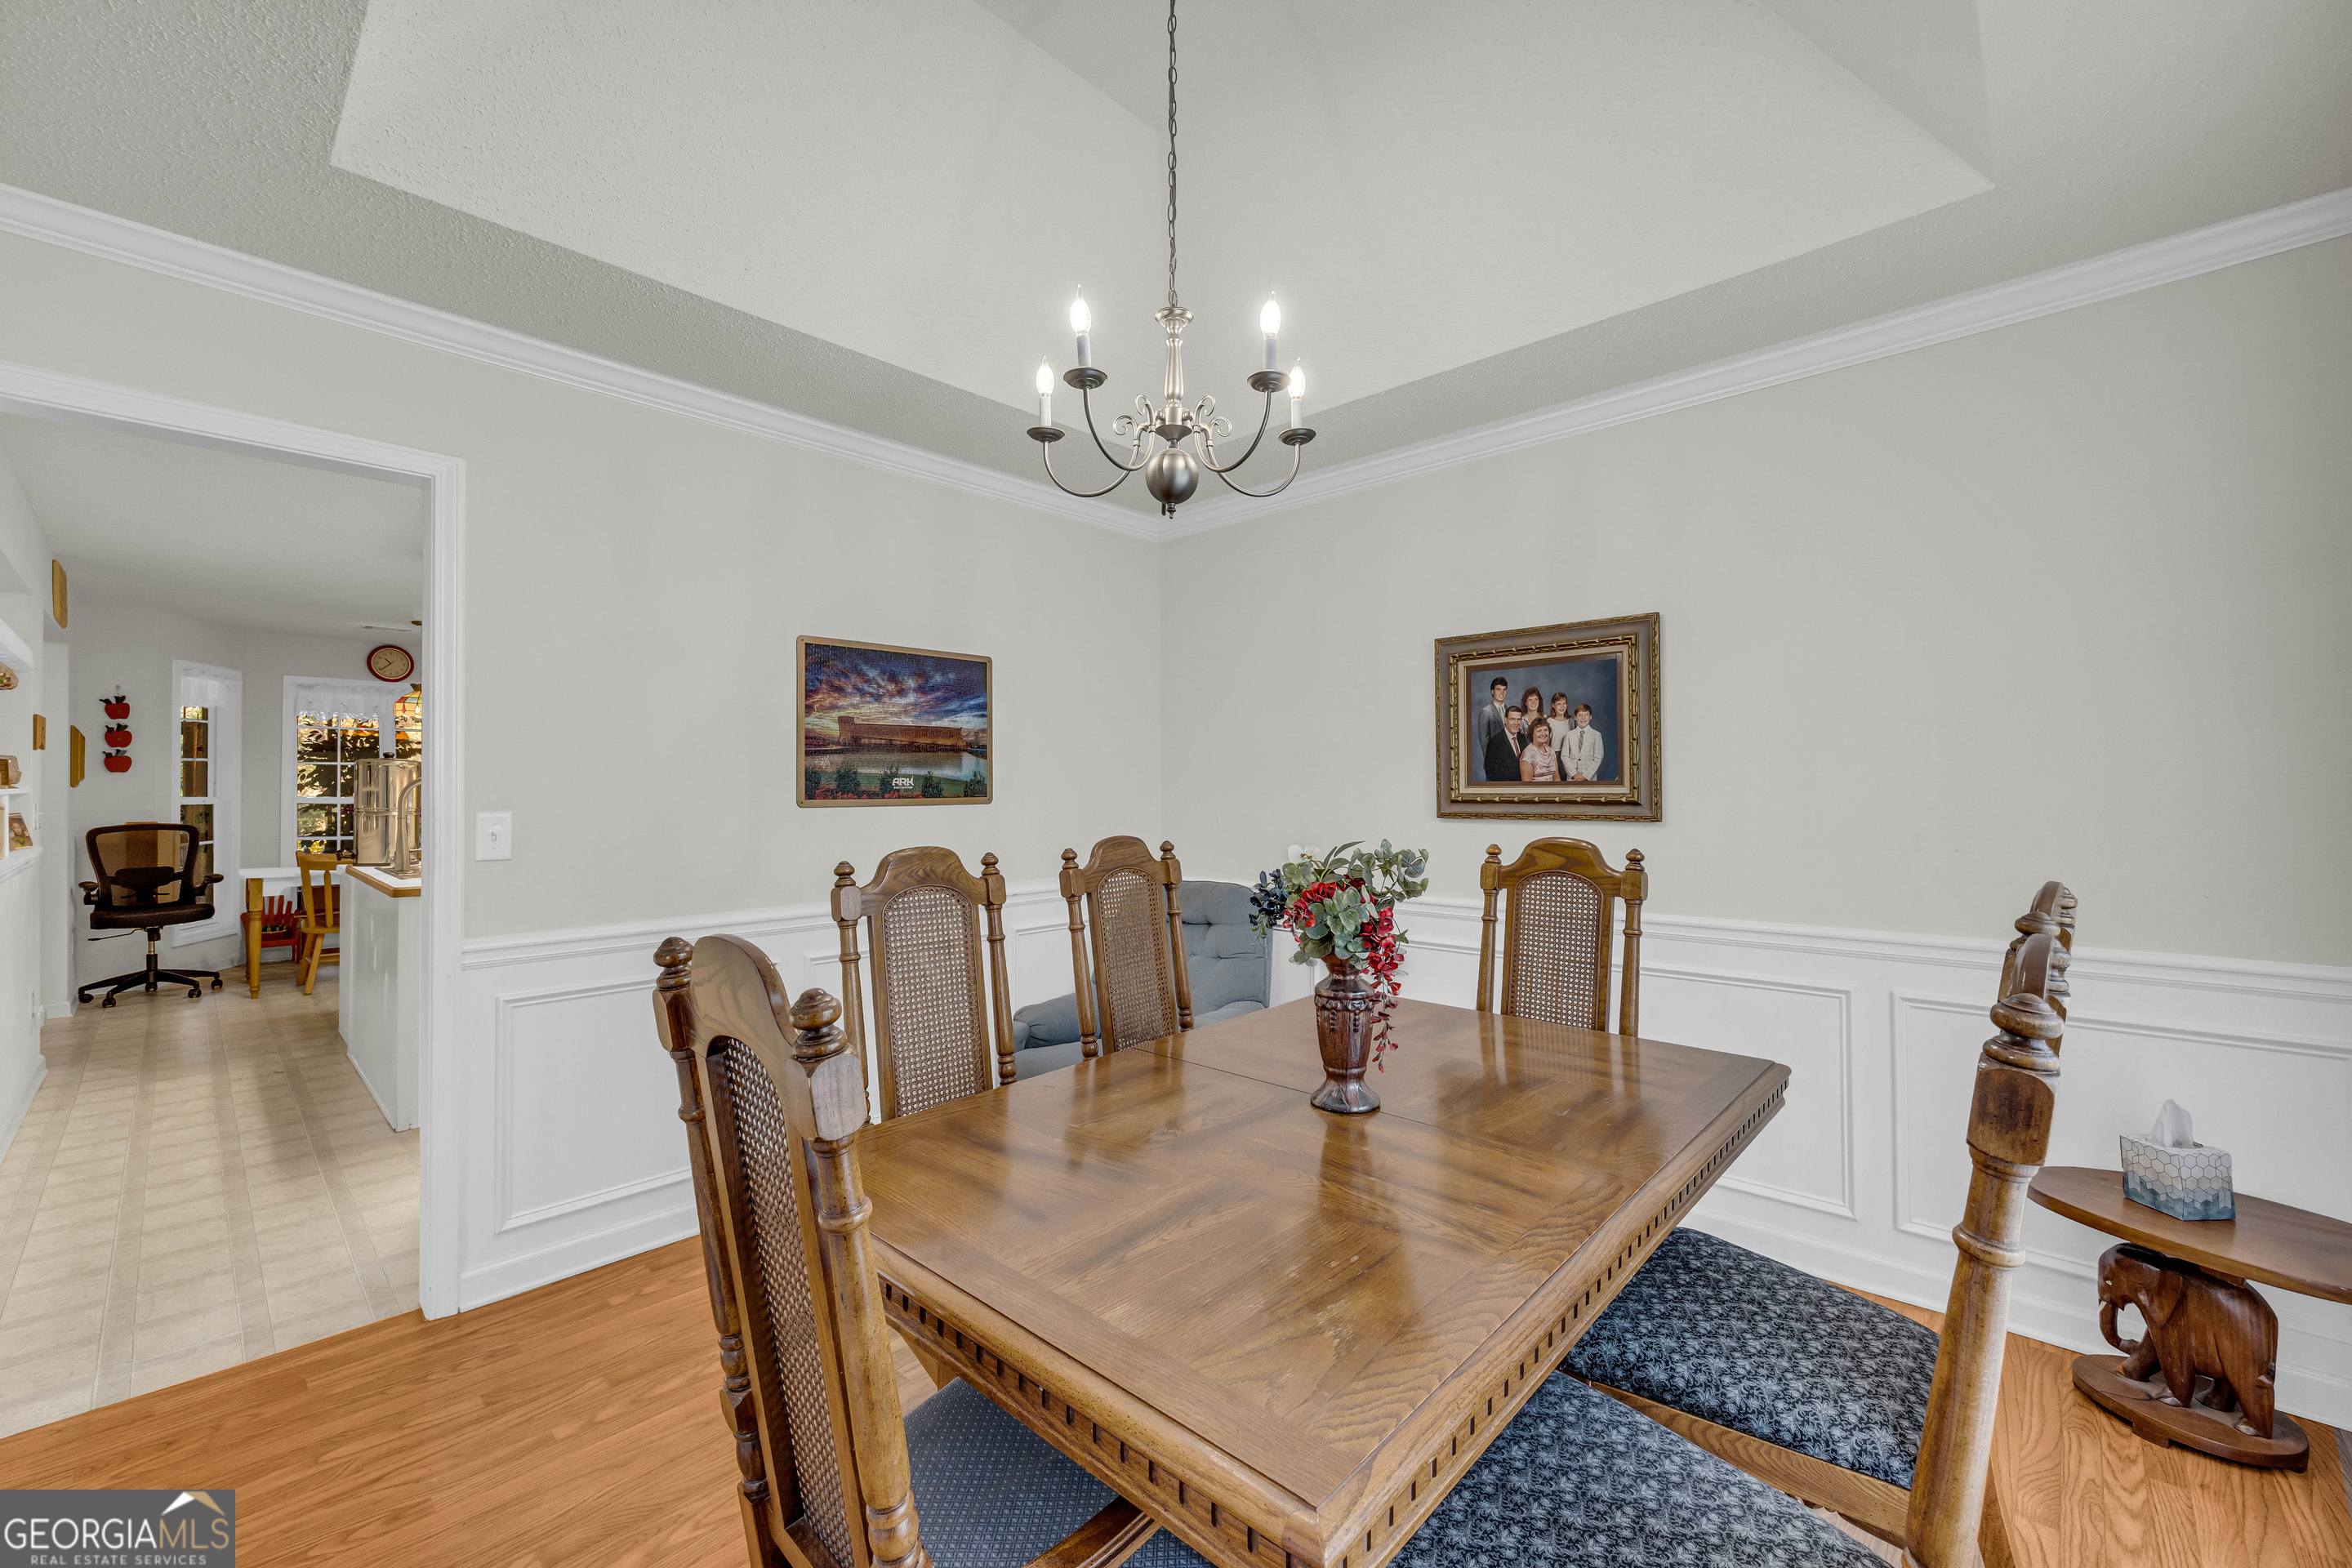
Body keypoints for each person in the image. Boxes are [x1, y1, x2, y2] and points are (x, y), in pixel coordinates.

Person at [1560, 702, 1605, 782]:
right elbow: (1564, 756)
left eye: (1586, 715)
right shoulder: (1569, 735)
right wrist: (1574, 774)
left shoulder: (1596, 735)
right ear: (1575, 717)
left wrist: (1585, 776)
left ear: (1590, 717)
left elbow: (1598, 758)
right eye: (1580, 715)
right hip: (1573, 778)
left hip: (1589, 779)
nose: (1583, 718)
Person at [1483, 706, 1527, 782]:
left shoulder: (1522, 738)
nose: (1516, 723)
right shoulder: (1495, 742)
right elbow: (1491, 772)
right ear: (1505, 720)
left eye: (1519, 719)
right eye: (1512, 719)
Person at [1472, 675, 1511, 758]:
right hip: (1495, 762)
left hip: (1510, 761)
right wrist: (1491, 763)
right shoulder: (1486, 712)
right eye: (1498, 689)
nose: (1502, 693)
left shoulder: (1509, 711)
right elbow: (1484, 742)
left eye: (1504, 690)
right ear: (1492, 691)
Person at [1520, 718, 1561, 782]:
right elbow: (1527, 786)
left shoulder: (1551, 751)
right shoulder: (1528, 755)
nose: (1543, 734)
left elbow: (1556, 777)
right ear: (1532, 734)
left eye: (1545, 730)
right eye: (1539, 731)